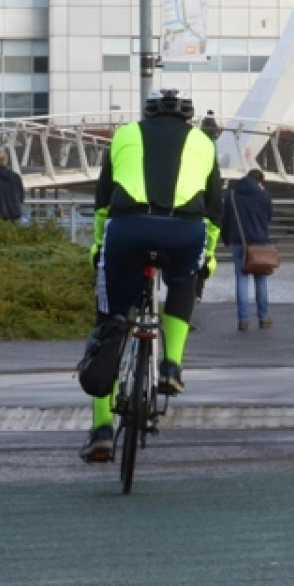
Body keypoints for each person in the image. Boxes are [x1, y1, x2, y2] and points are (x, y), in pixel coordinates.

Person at [74, 89, 221, 462]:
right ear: (186, 117)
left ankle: (102, 429)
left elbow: (103, 205)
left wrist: (98, 252)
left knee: (109, 319)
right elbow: (214, 212)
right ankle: (171, 363)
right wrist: (208, 259)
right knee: (185, 278)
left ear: (147, 114)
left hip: (129, 230)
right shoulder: (203, 141)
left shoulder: (124, 135)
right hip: (184, 232)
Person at [220, 168, 274, 331]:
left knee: (241, 280)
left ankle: (243, 320)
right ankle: (263, 317)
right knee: (261, 280)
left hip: (239, 243)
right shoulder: (264, 196)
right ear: (260, 181)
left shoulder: (232, 196)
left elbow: (226, 219)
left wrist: (226, 239)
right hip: (259, 243)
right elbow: (269, 217)